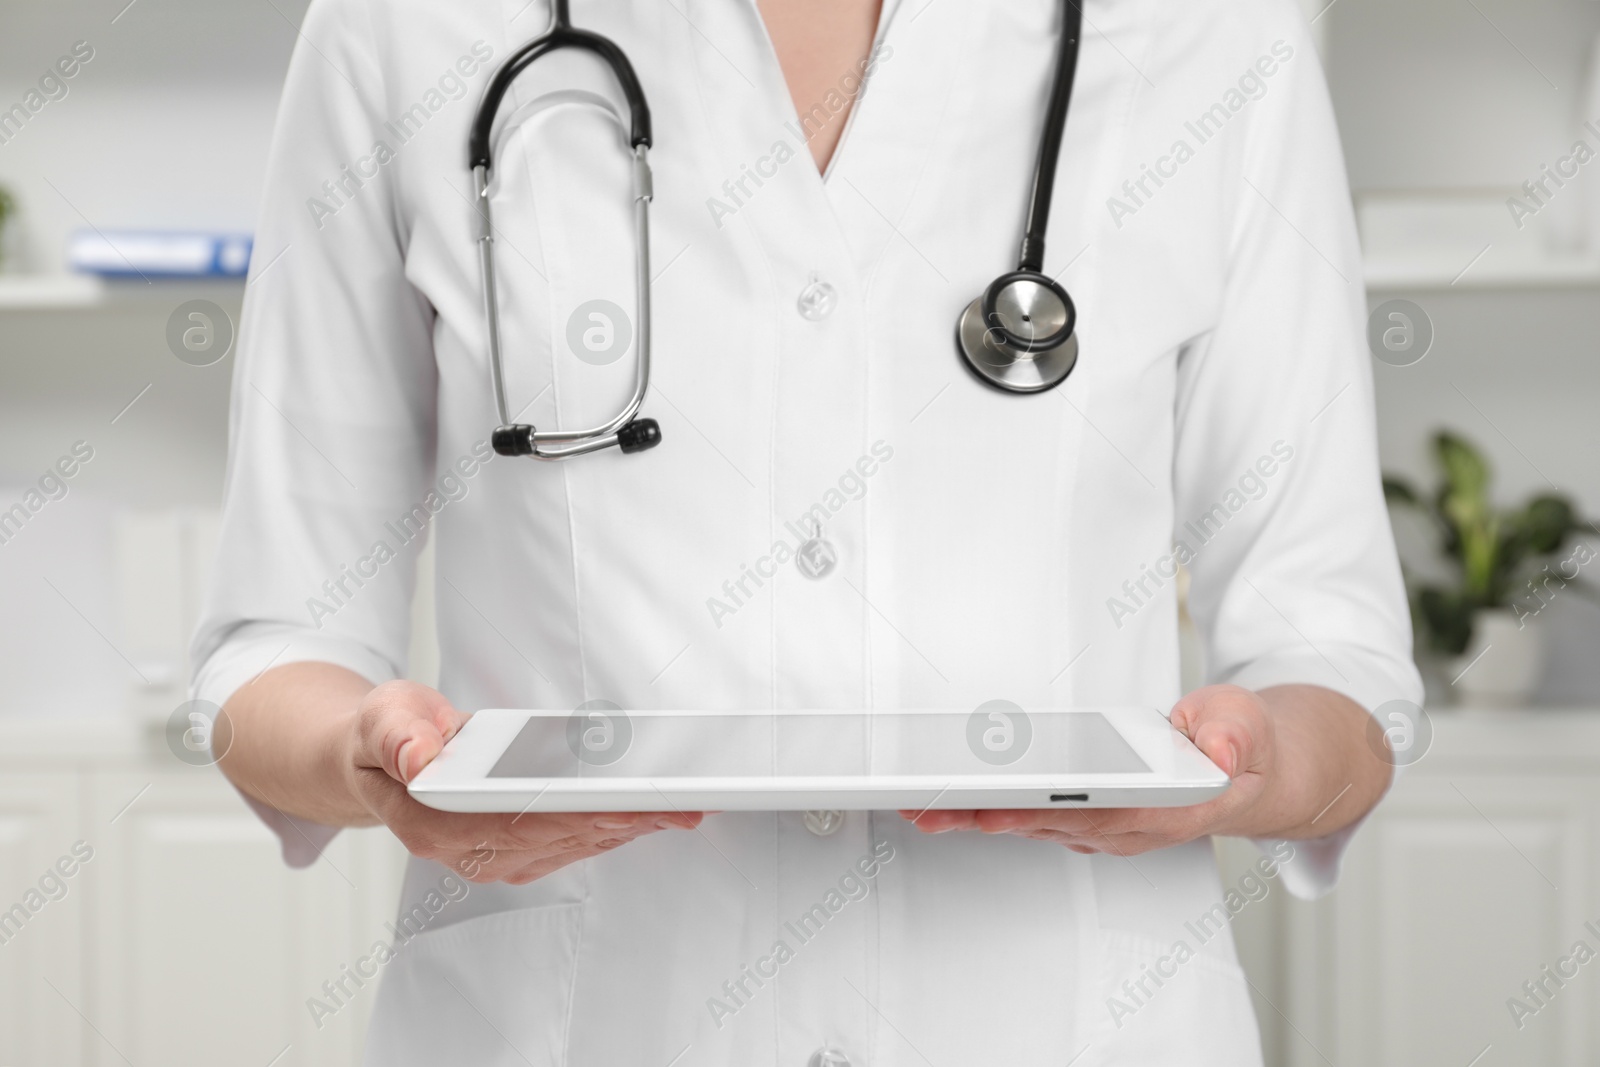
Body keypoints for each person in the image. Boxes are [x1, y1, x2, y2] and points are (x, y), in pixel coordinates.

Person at [193, 0, 1420, 1063]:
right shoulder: (401, 27)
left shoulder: (1218, 38)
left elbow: (1335, 659)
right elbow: (272, 646)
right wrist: (364, 749)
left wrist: (1261, 760)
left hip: (1064, 1016)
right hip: (584, 1021)